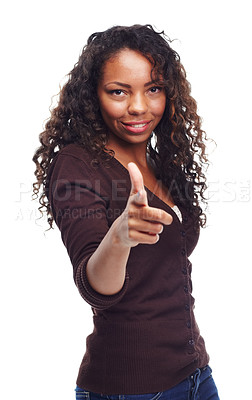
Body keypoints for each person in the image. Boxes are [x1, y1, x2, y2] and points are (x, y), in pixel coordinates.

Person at [33, 24, 220, 399]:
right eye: (118, 92)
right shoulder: (77, 165)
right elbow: (94, 285)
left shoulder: (159, 159)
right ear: (93, 96)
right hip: (131, 388)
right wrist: (119, 237)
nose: (138, 106)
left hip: (196, 374)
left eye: (153, 89)